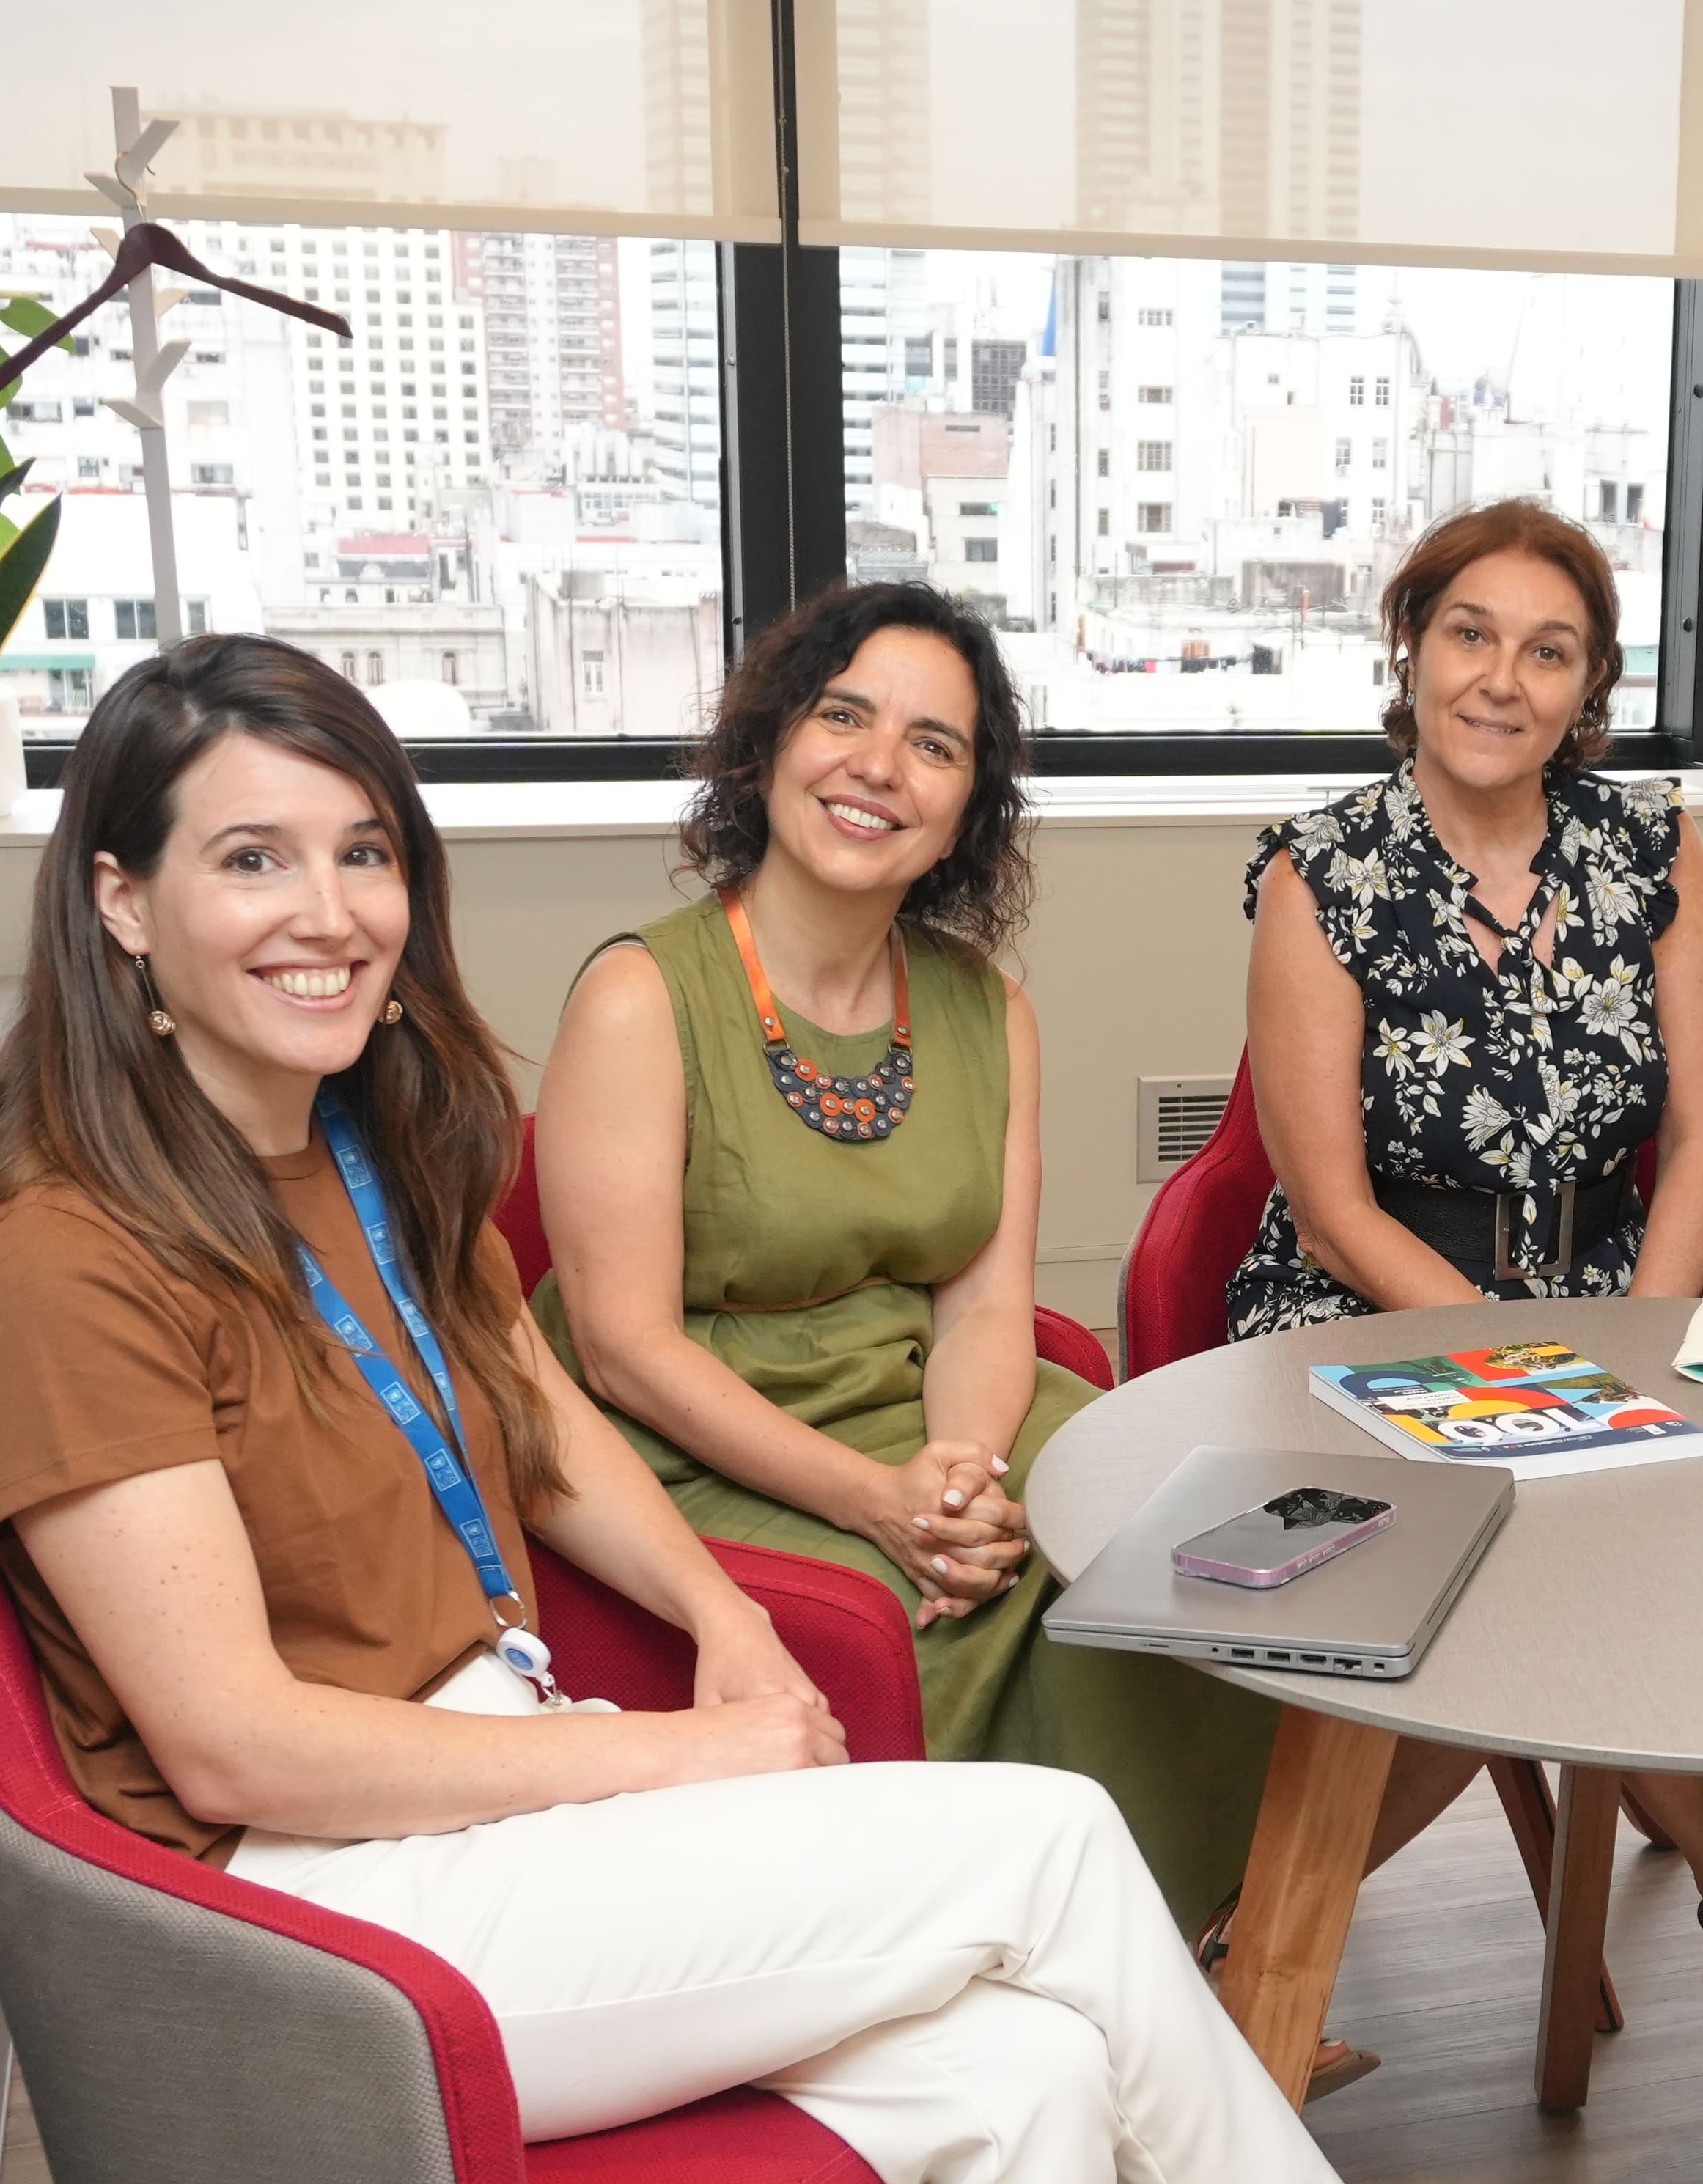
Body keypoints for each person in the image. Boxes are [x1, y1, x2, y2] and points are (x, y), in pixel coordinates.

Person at [0, 637, 1608, 2184]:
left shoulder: (361, 1138)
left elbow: (551, 1431)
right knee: (1050, 1851)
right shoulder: (63, 1259)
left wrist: (717, 1639)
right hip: (327, 1943)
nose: (328, 910)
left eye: (362, 852)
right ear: (119, 902)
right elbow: (238, 1752)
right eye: (250, 860)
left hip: (486, 1802)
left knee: (1032, 2070)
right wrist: (669, 1763)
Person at [532, 581, 1281, 1943]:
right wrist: (880, 1503)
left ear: (966, 807)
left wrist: (960, 1471)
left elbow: (989, 1296)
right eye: (845, 716)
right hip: (694, 1436)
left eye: (935, 744)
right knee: (986, 1607)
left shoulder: (986, 1006)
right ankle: (989, 1954)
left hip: (933, 1404)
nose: (881, 766)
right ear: (769, 748)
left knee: (1174, 1548)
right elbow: (620, 1349)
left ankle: (1189, 1941)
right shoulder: (642, 995)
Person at [1229, 499, 1703, 1981]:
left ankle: (1243, 1960)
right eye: (1471, 635)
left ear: (1591, 686)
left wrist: (1630, 1352)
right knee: (1485, 1585)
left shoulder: (1653, 845)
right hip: (1374, 1309)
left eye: (1548, 651)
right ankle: (1254, 1953)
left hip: (1629, 1289)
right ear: (1412, 650)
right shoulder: (1322, 871)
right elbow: (1333, 1207)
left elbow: (1699, 1142)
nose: (1503, 680)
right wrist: (1537, 1380)